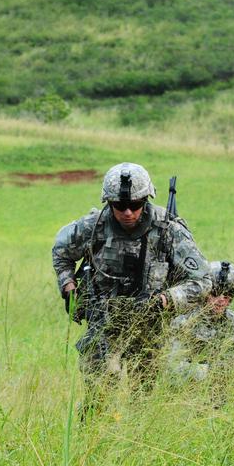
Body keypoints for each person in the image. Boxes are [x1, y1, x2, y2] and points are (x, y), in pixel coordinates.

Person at [52, 162, 212, 417]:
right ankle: (90, 443)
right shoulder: (92, 227)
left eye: (135, 204)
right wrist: (68, 285)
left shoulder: (167, 229)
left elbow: (202, 281)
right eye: (119, 206)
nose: (128, 212)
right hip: (103, 321)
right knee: (100, 392)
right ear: (109, 202)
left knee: (144, 400)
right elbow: (61, 252)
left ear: (146, 199)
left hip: (150, 323)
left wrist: (166, 299)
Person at [166, 261, 234, 396]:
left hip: (215, 385)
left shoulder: (231, 320)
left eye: (227, 296)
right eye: (215, 293)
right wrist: (213, 371)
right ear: (205, 292)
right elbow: (171, 368)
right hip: (186, 391)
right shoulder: (184, 320)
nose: (221, 300)